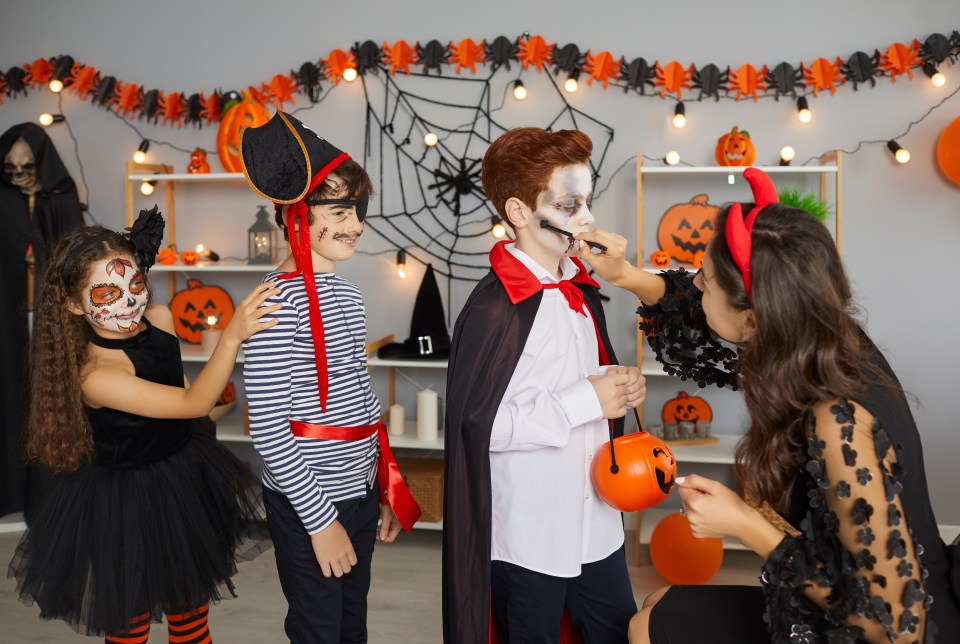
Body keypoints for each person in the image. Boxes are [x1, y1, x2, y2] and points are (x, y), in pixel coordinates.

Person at [576, 167, 960, 643]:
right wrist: (629, 275)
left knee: (646, 626)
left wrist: (745, 524)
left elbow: (892, 625)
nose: (695, 286)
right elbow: (703, 317)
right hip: (849, 582)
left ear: (755, 321)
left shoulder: (839, 421)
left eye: (707, 281)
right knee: (656, 601)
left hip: (893, 621)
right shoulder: (818, 336)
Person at [8, 206, 278, 642]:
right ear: (75, 306)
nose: (130, 301)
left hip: (181, 478)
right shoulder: (97, 376)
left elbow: (187, 394)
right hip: (124, 505)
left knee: (190, 615)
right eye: (106, 295)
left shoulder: (161, 317)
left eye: (134, 283)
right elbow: (193, 402)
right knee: (129, 624)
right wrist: (231, 337)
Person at [443, 127, 646, 644]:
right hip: (531, 535)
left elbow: (581, 379)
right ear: (517, 212)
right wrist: (586, 401)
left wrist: (615, 387)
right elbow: (479, 426)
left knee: (617, 632)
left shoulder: (577, 288)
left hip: (595, 520)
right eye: (570, 205)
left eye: (587, 203)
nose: (588, 219)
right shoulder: (495, 308)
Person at [239, 110, 421, 644]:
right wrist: (320, 522)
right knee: (318, 628)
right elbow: (270, 429)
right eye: (339, 209)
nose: (356, 224)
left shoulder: (348, 293)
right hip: (307, 501)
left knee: (350, 625)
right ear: (296, 213)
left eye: (358, 211)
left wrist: (382, 487)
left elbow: (359, 402)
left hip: (358, 491)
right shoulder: (276, 304)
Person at [0, 122, 85, 521]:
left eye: (27, 166)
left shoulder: (62, 199)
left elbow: (72, 254)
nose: (19, 176)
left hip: (51, 312)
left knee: (53, 394)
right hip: (10, 312)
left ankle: (53, 493)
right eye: (11, 168)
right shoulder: (3, 199)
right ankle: (13, 492)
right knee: (12, 390)